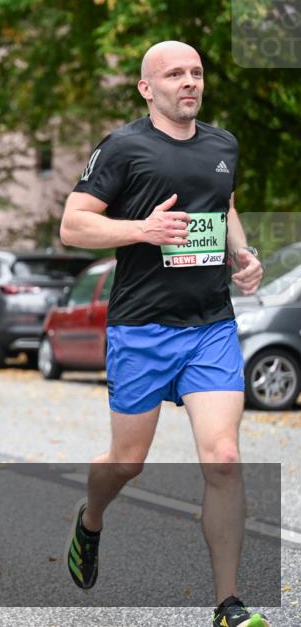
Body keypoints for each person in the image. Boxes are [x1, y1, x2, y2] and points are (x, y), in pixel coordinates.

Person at [59, 41, 267, 627]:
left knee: (223, 457)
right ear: (147, 88)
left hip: (210, 326)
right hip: (142, 327)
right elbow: (73, 226)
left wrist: (242, 254)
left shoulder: (222, 144)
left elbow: (222, 205)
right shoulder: (124, 147)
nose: (189, 82)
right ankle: (91, 517)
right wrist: (143, 229)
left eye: (196, 72)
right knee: (127, 463)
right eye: (174, 74)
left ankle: (227, 604)